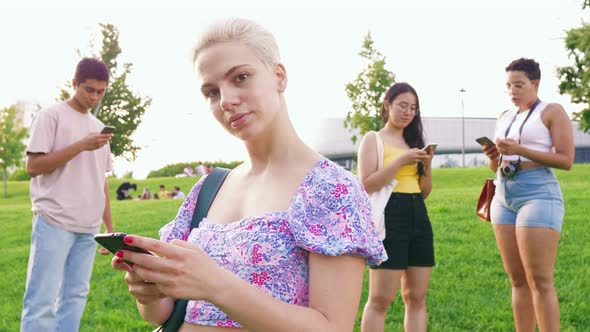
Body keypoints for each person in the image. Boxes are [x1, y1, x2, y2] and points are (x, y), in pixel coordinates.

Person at [111, 18, 386, 331]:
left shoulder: (329, 189)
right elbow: (165, 314)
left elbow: (332, 327)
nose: (226, 101)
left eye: (240, 77)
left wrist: (216, 284)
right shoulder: (210, 187)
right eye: (211, 92)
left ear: (279, 76)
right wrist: (148, 293)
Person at [21, 58, 114, 332]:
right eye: (88, 89)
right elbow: (33, 166)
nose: (94, 97)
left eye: (100, 91)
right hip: (54, 220)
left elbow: (102, 181)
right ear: (73, 84)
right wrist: (80, 146)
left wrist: (109, 228)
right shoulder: (51, 116)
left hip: (88, 228)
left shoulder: (99, 128)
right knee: (41, 301)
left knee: (75, 297)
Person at [482, 58, 574, 332]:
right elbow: (495, 165)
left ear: (535, 83)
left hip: (538, 192)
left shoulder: (552, 111)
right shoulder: (504, 117)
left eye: (519, 85)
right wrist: (494, 155)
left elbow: (566, 159)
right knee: (517, 280)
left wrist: (520, 150)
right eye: (509, 86)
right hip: (503, 193)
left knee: (540, 280)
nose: (513, 91)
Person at [358, 82, 434, 332]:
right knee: (380, 300)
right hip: (390, 216)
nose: (408, 112)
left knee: (416, 298)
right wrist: (401, 161)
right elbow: (366, 184)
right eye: (402, 105)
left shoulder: (414, 141)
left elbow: (423, 192)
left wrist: (427, 166)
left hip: (417, 215)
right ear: (387, 105)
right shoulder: (373, 139)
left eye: (413, 108)